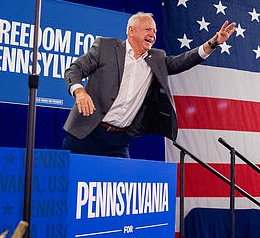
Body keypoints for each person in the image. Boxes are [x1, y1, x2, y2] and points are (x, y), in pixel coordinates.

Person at [62, 12, 236, 158]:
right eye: (147, 29)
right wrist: (79, 92)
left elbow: (181, 62)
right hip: (86, 134)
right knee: (71, 191)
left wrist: (213, 43)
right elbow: (74, 69)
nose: (153, 34)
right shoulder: (106, 47)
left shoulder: (157, 58)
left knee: (117, 193)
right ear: (131, 30)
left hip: (119, 141)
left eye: (155, 31)